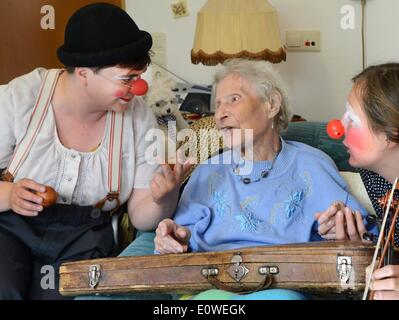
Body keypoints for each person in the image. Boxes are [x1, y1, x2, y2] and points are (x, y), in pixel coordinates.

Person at [0, 3, 189, 300]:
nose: (138, 88)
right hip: (10, 230)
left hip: (84, 238)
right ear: (84, 73)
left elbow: (142, 218)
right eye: (126, 79)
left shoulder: (138, 119)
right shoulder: (20, 99)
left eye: (139, 76)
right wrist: (8, 195)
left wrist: (163, 195)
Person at [153, 58, 372, 299]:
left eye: (233, 99)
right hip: (214, 285)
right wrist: (171, 239)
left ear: (272, 104)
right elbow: (178, 242)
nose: (221, 114)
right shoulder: (208, 169)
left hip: (285, 285)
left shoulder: (311, 164)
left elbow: (363, 238)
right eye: (218, 105)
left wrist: (341, 230)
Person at [316, 63, 399, 300]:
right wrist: (359, 245)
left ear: (390, 134)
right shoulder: (377, 179)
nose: (339, 128)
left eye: (352, 118)